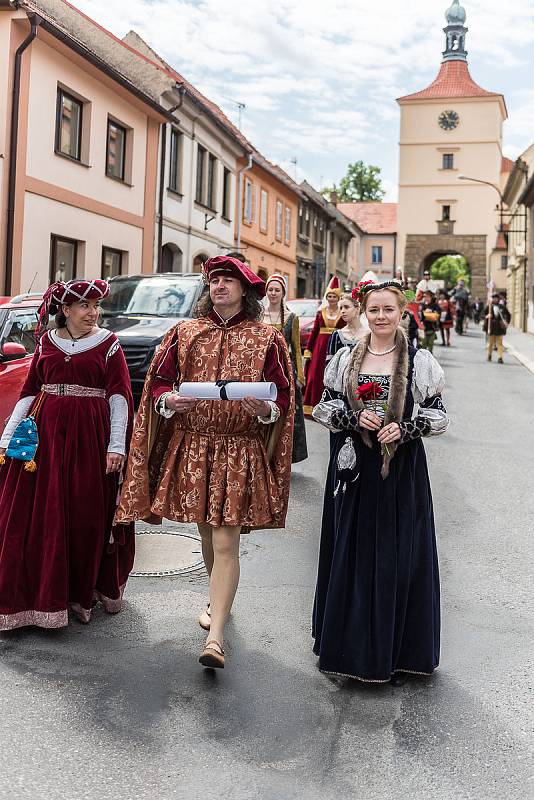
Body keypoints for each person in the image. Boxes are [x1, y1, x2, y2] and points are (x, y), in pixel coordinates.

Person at [115, 256, 294, 669]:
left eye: (228, 281)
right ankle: (217, 606)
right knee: (209, 536)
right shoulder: (185, 332)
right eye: (214, 280)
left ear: (246, 291)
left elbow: (282, 397)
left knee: (227, 538)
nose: (219, 286)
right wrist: (169, 400)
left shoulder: (267, 338)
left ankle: (214, 640)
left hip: (238, 447)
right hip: (194, 445)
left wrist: (263, 410)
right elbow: (159, 381)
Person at [311, 280, 448, 685]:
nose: (381, 317)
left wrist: (405, 428)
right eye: (374, 310)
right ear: (364, 312)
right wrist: (353, 419)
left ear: (402, 312)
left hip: (401, 474)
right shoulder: (346, 357)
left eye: (389, 309)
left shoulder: (419, 359)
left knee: (399, 555)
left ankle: (398, 651)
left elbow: (440, 416)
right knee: (353, 553)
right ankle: (352, 649)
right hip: (356, 472)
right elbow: (323, 406)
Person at [0, 279, 135, 630]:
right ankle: (38, 594)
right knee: (40, 515)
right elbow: (30, 391)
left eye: (96, 306)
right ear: (66, 310)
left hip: (89, 437)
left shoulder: (108, 344)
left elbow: (119, 396)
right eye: (86, 306)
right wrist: (7, 436)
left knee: (83, 514)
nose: (94, 313)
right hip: (45, 435)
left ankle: (78, 592)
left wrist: (116, 445)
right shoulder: (47, 341)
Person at [264, 274, 307, 463]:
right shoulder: (258, 316)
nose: (273, 293)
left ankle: (285, 455)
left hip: (286, 370)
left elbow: (296, 348)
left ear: (283, 293)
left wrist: (300, 376)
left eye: (277, 290)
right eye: (270, 289)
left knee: (287, 411)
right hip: (263, 369)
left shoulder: (292, 317)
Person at [302, 277, 344, 416]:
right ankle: (312, 406)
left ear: (338, 298)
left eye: (334, 296)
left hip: (335, 347)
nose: (332, 298)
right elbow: (314, 331)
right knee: (316, 376)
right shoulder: (321, 312)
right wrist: (308, 349)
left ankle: (329, 407)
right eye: (329, 296)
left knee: (331, 376)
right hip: (319, 348)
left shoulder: (342, 313)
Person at [326, 288, 367, 362]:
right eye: (341, 308)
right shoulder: (337, 335)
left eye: (346, 307)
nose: (342, 311)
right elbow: (330, 364)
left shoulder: (369, 334)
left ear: (357, 309)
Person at [483, 292, 511, 363]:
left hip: (499, 327)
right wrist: (487, 316)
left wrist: (507, 322)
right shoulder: (488, 307)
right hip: (491, 327)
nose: (495, 299)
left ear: (498, 299)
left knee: (499, 343)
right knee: (490, 343)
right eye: (494, 298)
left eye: (496, 298)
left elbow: (508, 315)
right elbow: (482, 314)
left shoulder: (502, 307)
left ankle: (500, 358)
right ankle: (489, 355)